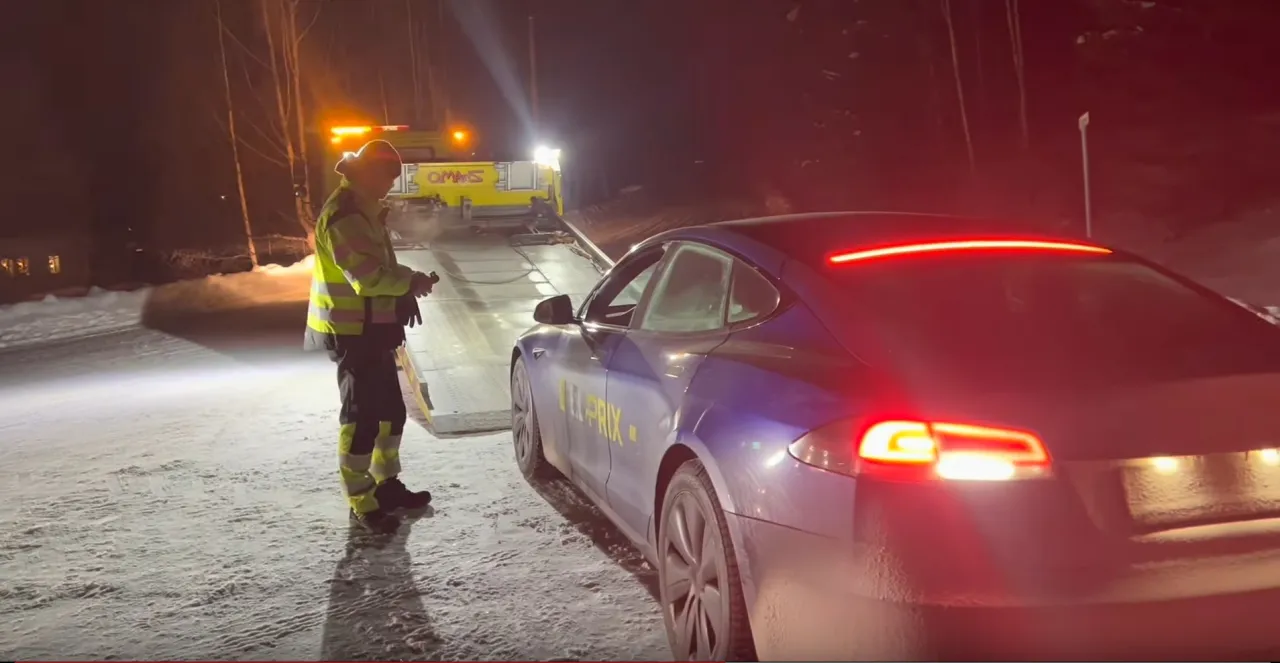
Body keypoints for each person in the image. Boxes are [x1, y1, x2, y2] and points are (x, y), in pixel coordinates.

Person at [304, 139, 437, 535]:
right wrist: (408, 283)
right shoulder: (344, 216)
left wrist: (402, 294)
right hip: (351, 332)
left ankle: (387, 486)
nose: (389, 187)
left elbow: (380, 268)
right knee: (361, 417)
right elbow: (366, 277)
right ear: (368, 173)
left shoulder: (364, 211)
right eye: (386, 178)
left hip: (372, 328)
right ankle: (362, 499)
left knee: (390, 413)